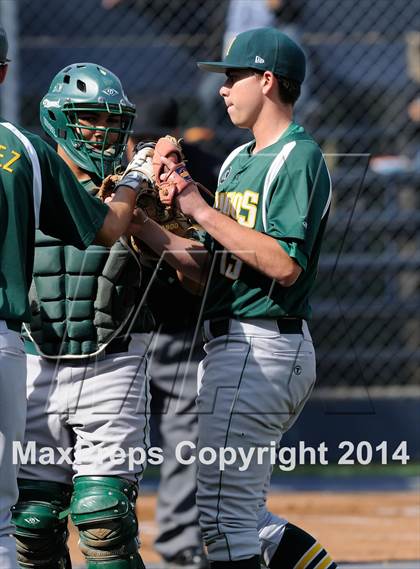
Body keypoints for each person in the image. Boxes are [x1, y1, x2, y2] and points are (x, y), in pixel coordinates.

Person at [130, 27, 337, 568]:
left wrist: (199, 209)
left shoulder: (297, 156)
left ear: (267, 80)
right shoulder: (238, 160)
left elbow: (284, 265)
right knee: (237, 517)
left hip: (262, 343)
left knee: (225, 522)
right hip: (235, 345)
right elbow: (214, 272)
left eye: (233, 77)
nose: (223, 90)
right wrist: (147, 228)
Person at [0, 25, 149, 569]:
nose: (103, 131)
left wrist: (151, 202)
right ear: (60, 119)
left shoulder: (141, 188)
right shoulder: (28, 168)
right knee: (32, 525)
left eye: (113, 121)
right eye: (90, 118)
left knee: (103, 516)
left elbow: (191, 269)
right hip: (36, 361)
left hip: (110, 359)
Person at [128, 96, 221, 569]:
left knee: (174, 437)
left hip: (159, 329)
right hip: (150, 330)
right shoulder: (199, 166)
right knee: (176, 440)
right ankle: (178, 541)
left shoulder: (186, 173)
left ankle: (171, 540)